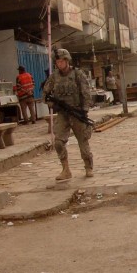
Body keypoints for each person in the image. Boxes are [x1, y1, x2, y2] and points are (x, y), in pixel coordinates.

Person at [42, 48, 94, 180]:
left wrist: (84, 110)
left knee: (83, 142)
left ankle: (88, 167)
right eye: (57, 62)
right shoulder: (54, 77)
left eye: (61, 61)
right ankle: (65, 170)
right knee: (58, 142)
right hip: (62, 114)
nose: (59, 64)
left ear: (67, 61)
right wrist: (53, 105)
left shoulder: (77, 74)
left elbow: (86, 93)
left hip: (77, 113)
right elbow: (45, 94)